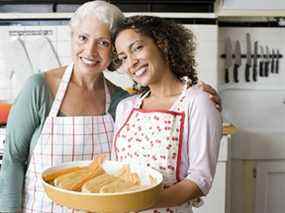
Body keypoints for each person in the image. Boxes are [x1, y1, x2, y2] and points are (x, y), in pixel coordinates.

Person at [0, 1, 221, 212]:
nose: (90, 50)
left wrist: (203, 99)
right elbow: (13, 159)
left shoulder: (121, 101)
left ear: (112, 55)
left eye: (103, 43)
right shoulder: (39, 88)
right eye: (83, 38)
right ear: (72, 38)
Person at [112, 15, 222, 213]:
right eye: (123, 58)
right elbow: (117, 168)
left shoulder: (197, 102)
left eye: (137, 48)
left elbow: (200, 180)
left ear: (162, 44)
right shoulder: (126, 107)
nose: (131, 63)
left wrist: (140, 202)